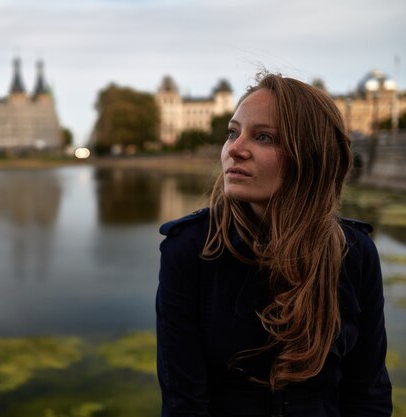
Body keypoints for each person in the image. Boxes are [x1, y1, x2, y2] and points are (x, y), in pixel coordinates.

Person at [155, 73, 392, 416]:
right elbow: (184, 404)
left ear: (310, 155)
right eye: (232, 133)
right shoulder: (190, 249)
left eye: (264, 137)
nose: (235, 150)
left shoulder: (354, 252)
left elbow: (368, 394)